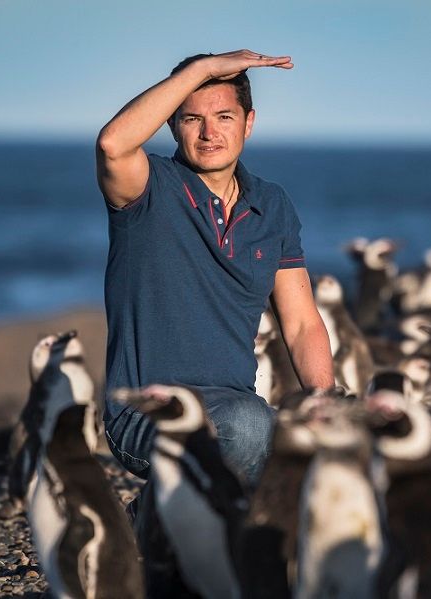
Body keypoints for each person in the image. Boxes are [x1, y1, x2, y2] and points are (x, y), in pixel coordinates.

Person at [96, 50, 334, 488]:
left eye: (224, 117)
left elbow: (301, 324)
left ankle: (172, 525)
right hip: (145, 413)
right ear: (171, 124)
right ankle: (159, 522)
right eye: (191, 119)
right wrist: (200, 71)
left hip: (237, 406)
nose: (209, 133)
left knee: (318, 457)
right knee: (251, 429)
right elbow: (112, 145)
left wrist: (325, 404)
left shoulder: (272, 205)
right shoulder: (148, 189)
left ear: (249, 123)